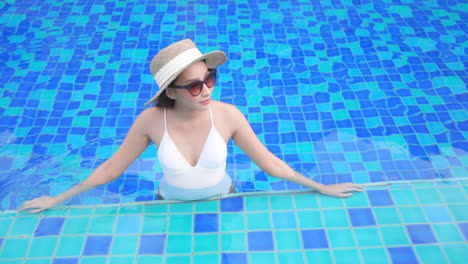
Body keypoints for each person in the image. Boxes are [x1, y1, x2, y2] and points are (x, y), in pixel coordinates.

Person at [19, 39, 363, 213]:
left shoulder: (228, 116)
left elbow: (270, 164)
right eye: (195, 85)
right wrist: (57, 199)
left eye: (210, 78)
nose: (207, 90)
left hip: (223, 199)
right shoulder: (151, 121)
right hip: (168, 204)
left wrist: (321, 186)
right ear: (171, 91)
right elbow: (111, 169)